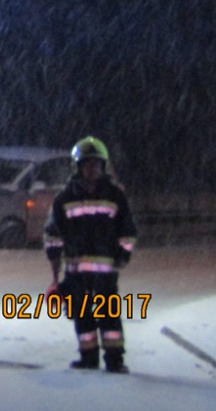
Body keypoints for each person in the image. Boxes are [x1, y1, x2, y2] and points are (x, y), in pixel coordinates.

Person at [43, 136, 138, 373]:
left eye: (96, 164)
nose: (92, 169)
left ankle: (115, 359)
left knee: (109, 315)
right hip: (76, 273)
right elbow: (53, 233)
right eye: (87, 164)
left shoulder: (116, 196)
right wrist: (55, 268)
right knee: (82, 315)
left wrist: (123, 254)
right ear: (78, 167)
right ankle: (88, 357)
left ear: (103, 166)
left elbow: (127, 230)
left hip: (106, 271)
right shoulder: (64, 199)